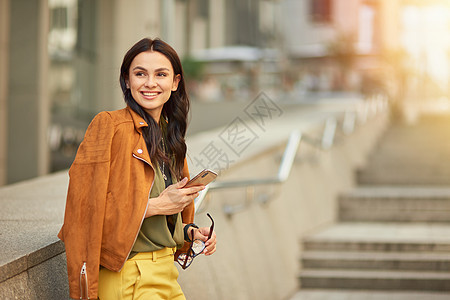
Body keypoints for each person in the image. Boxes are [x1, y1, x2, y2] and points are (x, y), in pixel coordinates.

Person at [58, 37, 217, 300]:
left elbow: (167, 216)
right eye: (140, 73)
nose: (150, 83)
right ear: (127, 80)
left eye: (161, 74)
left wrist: (190, 232)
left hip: (166, 271)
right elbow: (83, 210)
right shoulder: (109, 126)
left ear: (175, 82)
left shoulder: (171, 136)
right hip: (128, 274)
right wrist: (155, 206)